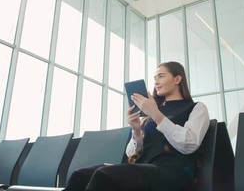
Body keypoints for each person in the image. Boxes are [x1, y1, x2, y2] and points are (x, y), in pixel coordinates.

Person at [63, 61, 210, 191]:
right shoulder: (151, 113)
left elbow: (189, 144)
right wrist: (136, 130)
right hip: (143, 169)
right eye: (154, 78)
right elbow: (131, 154)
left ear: (177, 79)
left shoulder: (196, 108)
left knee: (104, 175)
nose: (156, 82)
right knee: (80, 175)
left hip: (172, 173)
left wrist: (155, 114)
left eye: (161, 76)